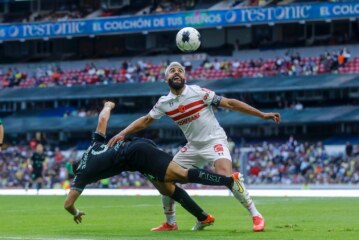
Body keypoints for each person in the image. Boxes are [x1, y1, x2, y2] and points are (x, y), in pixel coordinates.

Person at [108, 62, 281, 231]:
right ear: (165, 78)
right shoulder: (164, 103)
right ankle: (171, 223)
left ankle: (256, 215)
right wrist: (123, 133)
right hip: (193, 146)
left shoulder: (198, 92)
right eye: (172, 71)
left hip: (214, 140)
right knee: (163, 178)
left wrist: (262, 114)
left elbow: (230, 103)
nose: (176, 72)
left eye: (180, 70)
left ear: (185, 76)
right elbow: (146, 120)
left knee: (227, 176)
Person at [64, 101, 244, 229]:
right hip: (137, 154)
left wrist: (76, 212)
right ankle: (203, 217)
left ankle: (228, 181)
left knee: (180, 175)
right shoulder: (93, 146)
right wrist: (108, 105)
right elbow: (102, 120)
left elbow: (68, 204)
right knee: (167, 189)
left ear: (76, 170)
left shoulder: (82, 174)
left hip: (137, 154)